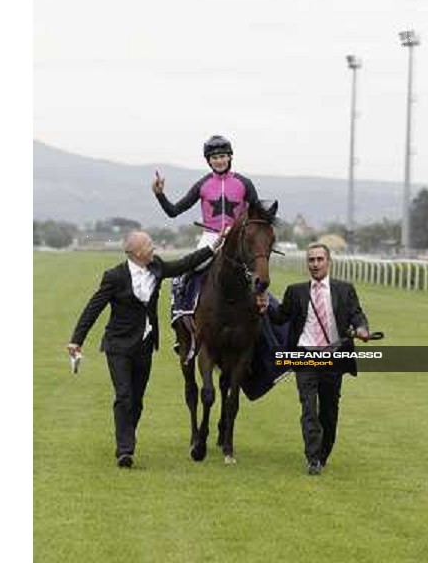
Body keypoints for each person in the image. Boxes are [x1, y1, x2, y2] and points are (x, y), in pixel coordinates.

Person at [67, 230, 225, 468]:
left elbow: (183, 265)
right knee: (124, 396)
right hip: (118, 345)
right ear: (137, 252)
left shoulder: (157, 267)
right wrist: (77, 340)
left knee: (137, 399)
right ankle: (125, 449)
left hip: (145, 345)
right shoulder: (115, 276)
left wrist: (212, 247)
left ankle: (127, 435)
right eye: (150, 245)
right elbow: (94, 307)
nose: (154, 248)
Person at [256, 243, 370, 475]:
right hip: (305, 355)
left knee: (329, 410)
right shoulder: (295, 291)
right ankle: (313, 458)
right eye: (311, 260)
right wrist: (266, 306)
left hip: (333, 358)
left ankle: (323, 451)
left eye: (319, 259)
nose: (315, 264)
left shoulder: (344, 290)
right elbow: (280, 317)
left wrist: (362, 328)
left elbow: (356, 314)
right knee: (308, 407)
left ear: (328, 262)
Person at [152, 135, 260, 325]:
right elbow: (173, 211)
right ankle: (182, 308)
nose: (218, 160)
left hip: (238, 237)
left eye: (222, 156)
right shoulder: (202, 185)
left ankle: (264, 304)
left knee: (257, 268)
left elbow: (257, 214)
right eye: (214, 157)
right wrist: (160, 194)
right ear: (208, 161)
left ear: (230, 157)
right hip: (211, 236)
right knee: (193, 266)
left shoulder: (245, 183)